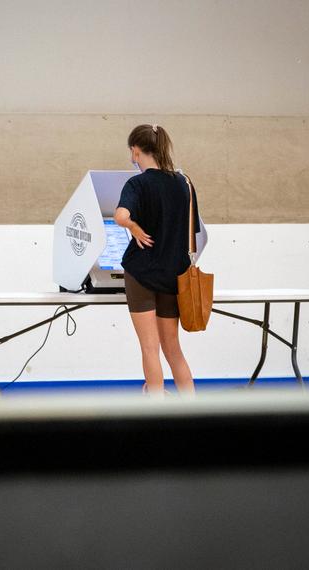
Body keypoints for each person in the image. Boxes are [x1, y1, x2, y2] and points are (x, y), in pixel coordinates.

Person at [114, 124, 200, 397]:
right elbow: (193, 232)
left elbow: (120, 216)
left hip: (141, 272)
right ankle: (194, 409)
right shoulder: (184, 183)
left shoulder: (137, 183)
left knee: (150, 349)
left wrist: (134, 227)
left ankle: (156, 405)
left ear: (135, 151)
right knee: (173, 349)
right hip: (173, 274)